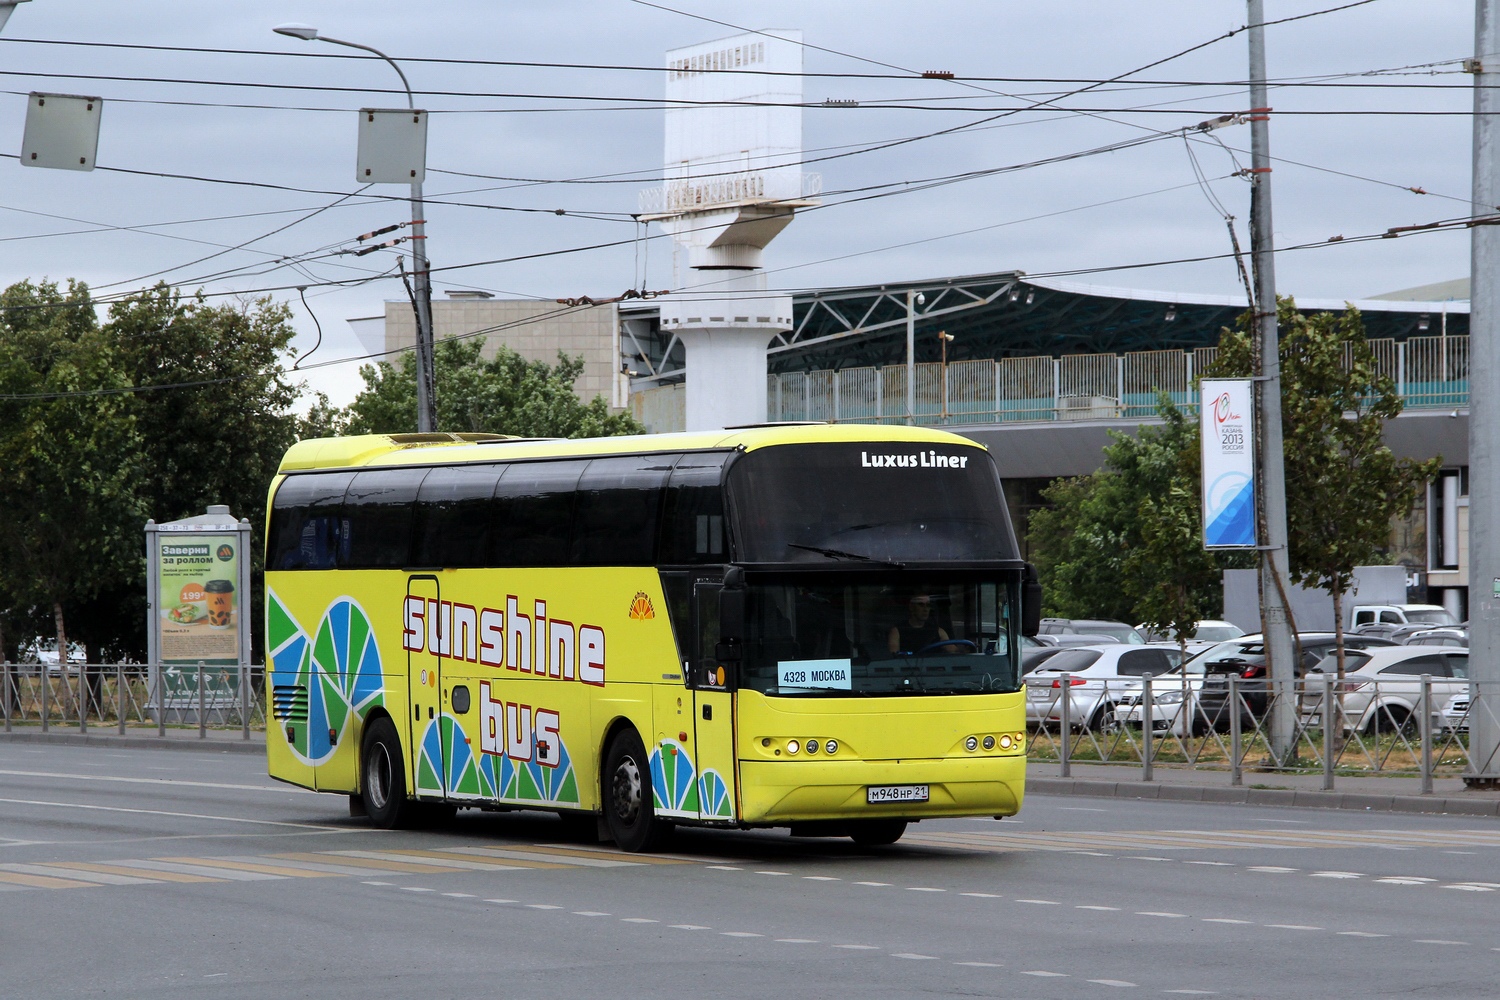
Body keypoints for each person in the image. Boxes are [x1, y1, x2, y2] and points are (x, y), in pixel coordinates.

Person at [888, 592, 952, 654]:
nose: (925, 609)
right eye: (921, 604)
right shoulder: (897, 631)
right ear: (911, 607)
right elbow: (894, 656)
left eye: (928, 605)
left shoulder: (938, 631)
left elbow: (953, 650)